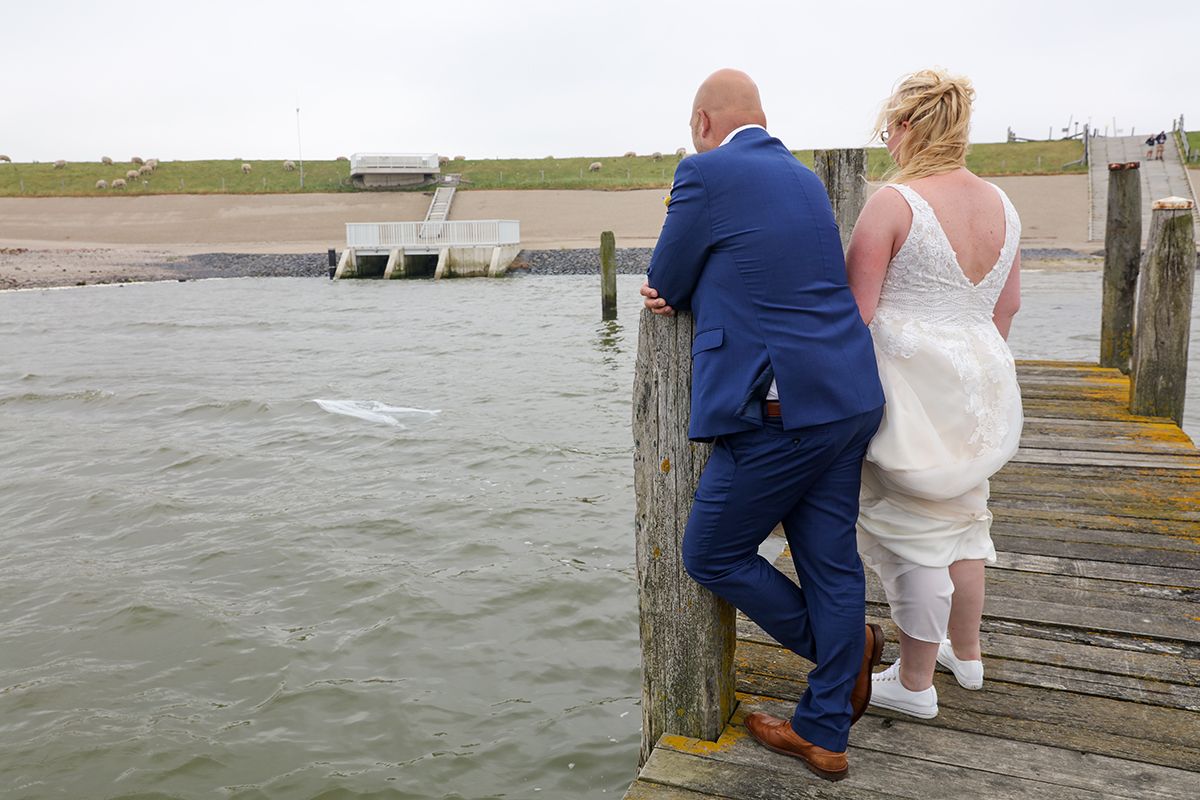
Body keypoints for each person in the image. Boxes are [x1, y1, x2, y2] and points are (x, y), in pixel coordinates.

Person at [640, 68, 886, 782]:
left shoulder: (704, 173)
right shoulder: (806, 179)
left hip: (781, 417)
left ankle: (846, 663)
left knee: (711, 552)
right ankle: (823, 733)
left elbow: (667, 276)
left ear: (703, 122)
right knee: (829, 560)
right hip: (848, 395)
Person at [845, 68, 1023, 719]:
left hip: (908, 388)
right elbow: (1007, 309)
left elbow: (853, 315)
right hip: (979, 383)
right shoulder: (1003, 205)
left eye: (890, 127)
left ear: (911, 126)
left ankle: (915, 683)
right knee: (966, 520)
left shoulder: (894, 203)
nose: (888, 140)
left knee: (910, 527)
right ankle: (966, 653)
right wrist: (971, 369)